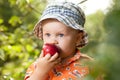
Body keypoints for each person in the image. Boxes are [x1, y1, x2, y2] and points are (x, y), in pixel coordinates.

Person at [24, 2, 93, 80]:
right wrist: (40, 72)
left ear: (77, 38)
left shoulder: (89, 66)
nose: (52, 41)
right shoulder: (38, 66)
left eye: (60, 35)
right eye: (48, 34)